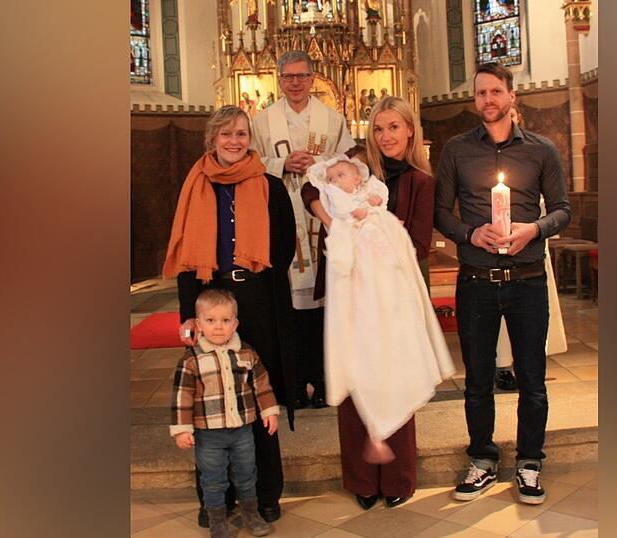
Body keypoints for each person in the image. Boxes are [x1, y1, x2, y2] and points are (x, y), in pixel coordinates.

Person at [434, 62, 571, 505]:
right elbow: (441, 213)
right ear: (474, 99)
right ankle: (483, 459)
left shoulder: (542, 150)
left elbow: (563, 210)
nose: (488, 100)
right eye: (480, 94)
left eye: (496, 92)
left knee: (532, 380)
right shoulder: (456, 150)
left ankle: (530, 462)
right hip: (476, 280)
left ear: (512, 95)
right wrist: (470, 233)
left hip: (527, 279)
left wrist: (534, 229)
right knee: (477, 380)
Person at [303, 96, 446, 511]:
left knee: (393, 379)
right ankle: (362, 479)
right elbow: (314, 184)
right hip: (350, 292)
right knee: (354, 381)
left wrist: (374, 229)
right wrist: (332, 220)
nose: (385, 136)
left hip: (392, 296)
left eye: (394, 127)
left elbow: (419, 244)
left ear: (410, 131)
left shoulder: (420, 182)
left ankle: (398, 476)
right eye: (378, 128)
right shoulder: (354, 162)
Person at [162, 105, 297, 526]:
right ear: (212, 139)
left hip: (257, 297)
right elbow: (187, 253)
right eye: (226, 135)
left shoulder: (271, 186)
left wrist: (258, 279)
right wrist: (191, 313)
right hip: (211, 297)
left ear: (249, 138)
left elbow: (286, 246)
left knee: (258, 395)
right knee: (210, 399)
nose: (234, 141)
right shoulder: (194, 186)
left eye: (241, 133)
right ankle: (215, 498)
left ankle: (266, 493)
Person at [251, 50, 355, 410]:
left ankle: (324, 380)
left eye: (302, 76)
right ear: (278, 80)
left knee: (326, 306)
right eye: (288, 76)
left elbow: (349, 164)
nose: (295, 83)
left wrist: (321, 165)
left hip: (322, 220)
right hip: (281, 218)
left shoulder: (332, 119)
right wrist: (281, 162)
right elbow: (249, 162)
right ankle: (293, 384)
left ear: (313, 79)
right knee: (288, 309)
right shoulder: (262, 123)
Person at [171, 289, 278, 538]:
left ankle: (251, 513)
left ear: (235, 323)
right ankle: (217, 520)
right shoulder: (191, 360)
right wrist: (182, 429)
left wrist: (269, 411)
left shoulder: (246, 353)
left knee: (247, 473)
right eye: (210, 321)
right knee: (213, 479)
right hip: (209, 434)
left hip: (242, 430)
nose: (218, 327)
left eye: (225, 321)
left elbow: (261, 384)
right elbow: (181, 397)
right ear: (198, 324)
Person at [494, 104, 569, 392]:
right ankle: (502, 364)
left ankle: (534, 357)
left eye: (511, 117)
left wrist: (535, 228)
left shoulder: (537, 152)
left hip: (532, 248)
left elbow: (558, 207)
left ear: (518, 120)